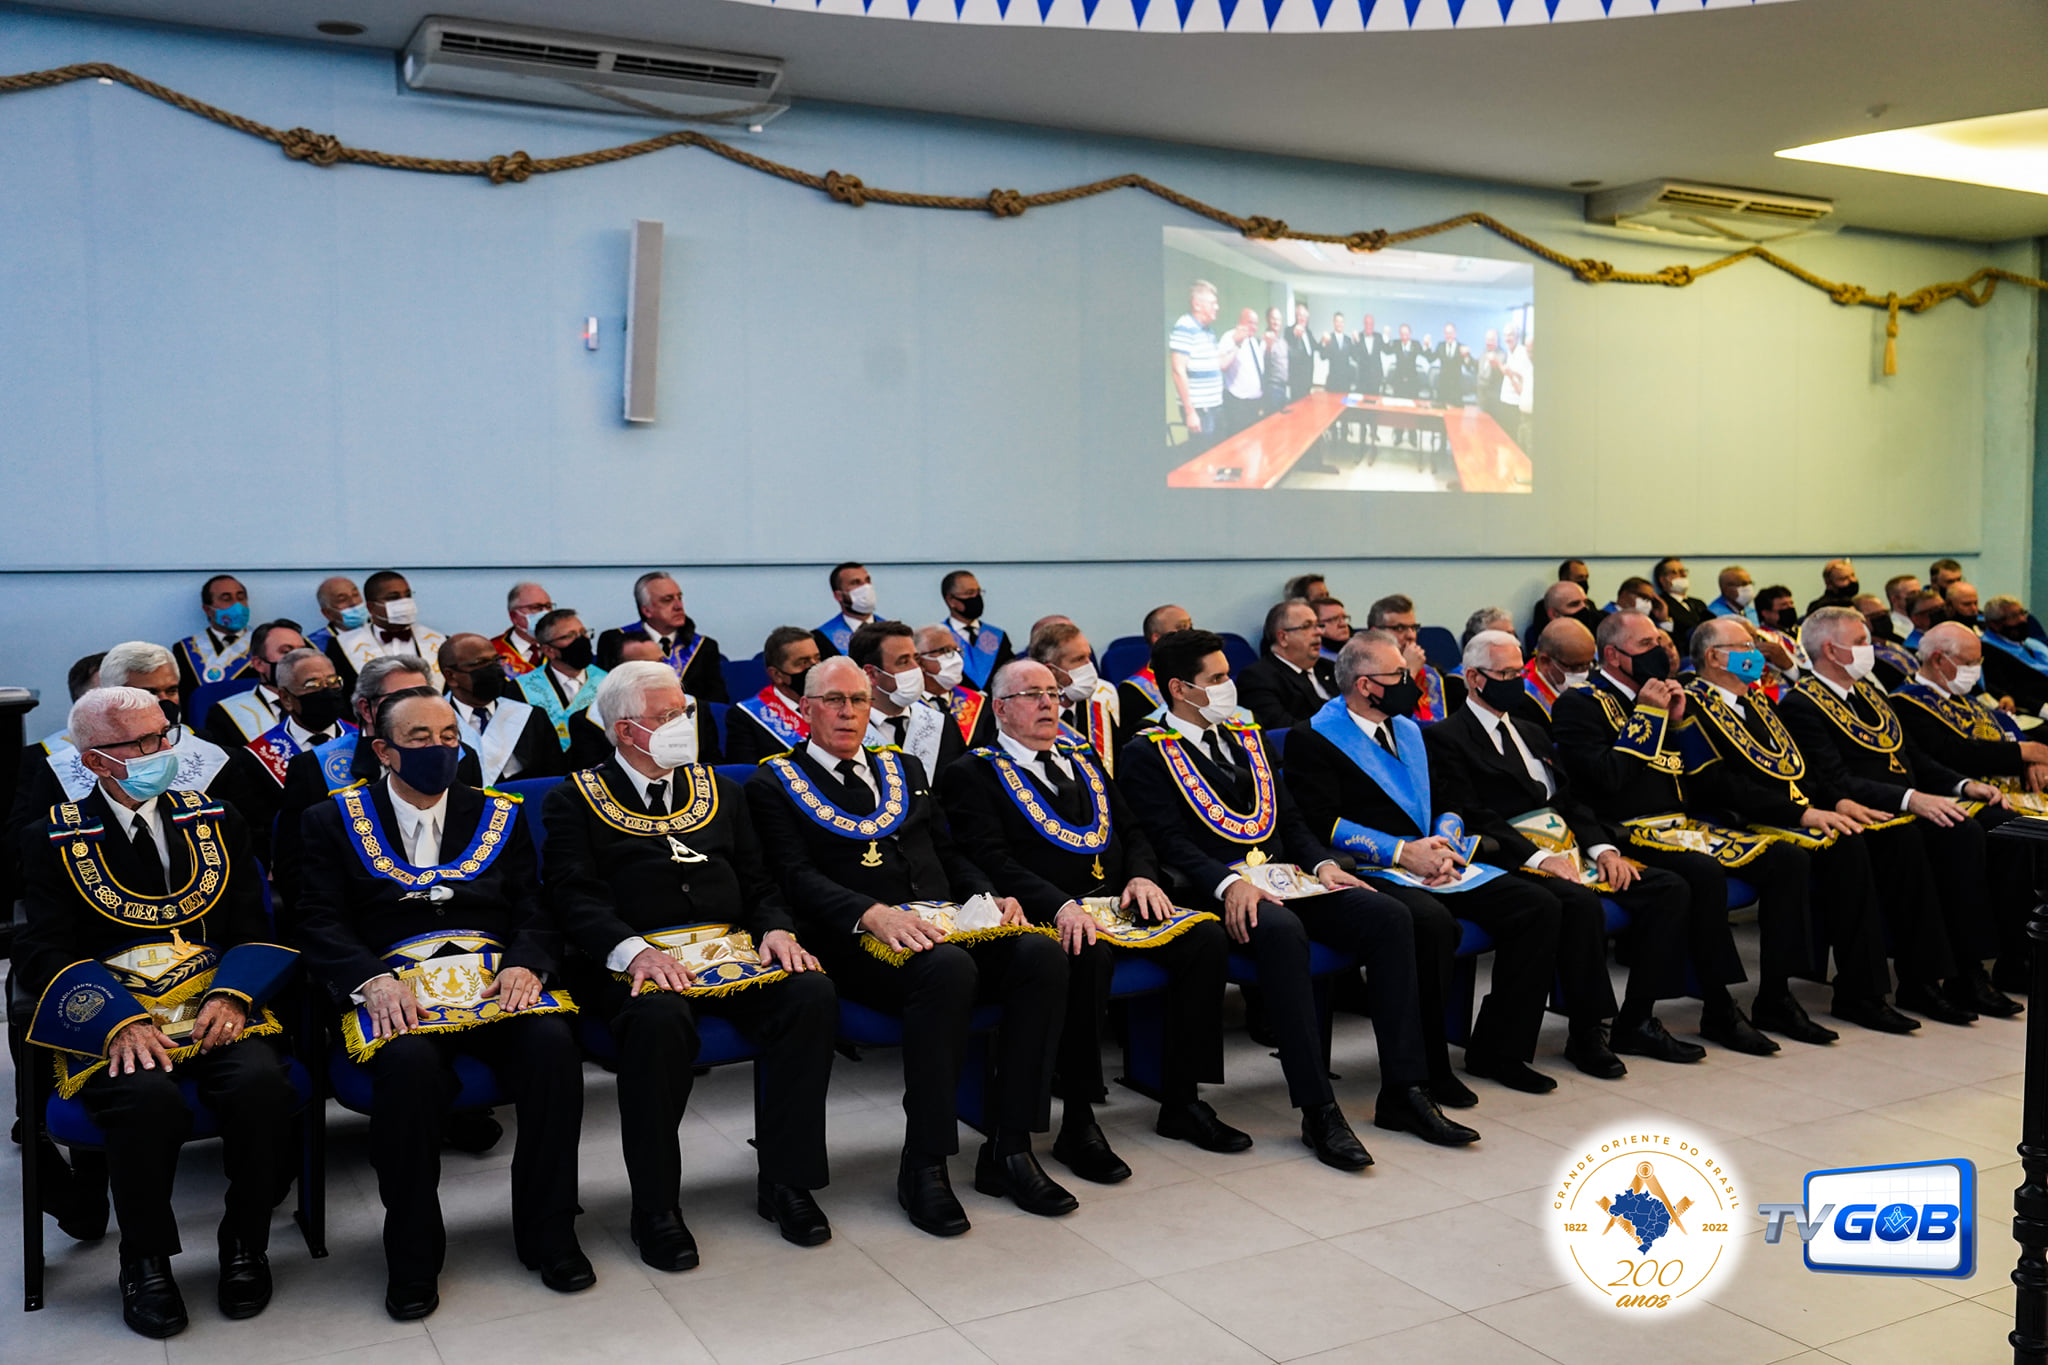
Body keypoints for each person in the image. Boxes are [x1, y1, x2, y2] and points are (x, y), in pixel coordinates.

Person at [1119, 629, 1478, 1165]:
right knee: (1284, 934)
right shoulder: (1145, 752)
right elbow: (1167, 841)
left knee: (1388, 915)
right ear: (1179, 688)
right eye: (1216, 678)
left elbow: (1290, 819)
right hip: (1217, 889)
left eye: (1228, 675)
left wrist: (1324, 865)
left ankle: (1404, 1090)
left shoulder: (1246, 736)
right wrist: (1229, 884)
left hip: (1289, 878)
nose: (1229, 686)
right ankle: (1319, 1110)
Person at [745, 657, 1073, 1236]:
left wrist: (986, 895)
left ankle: (1010, 1148)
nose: (848, 713)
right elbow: (792, 874)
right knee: (946, 969)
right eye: (834, 701)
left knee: (1040, 954)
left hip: (942, 924)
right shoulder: (771, 782)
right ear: (806, 708)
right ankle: (925, 1163)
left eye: (858, 701)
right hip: (855, 939)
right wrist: (869, 912)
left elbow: (947, 851)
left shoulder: (903, 766)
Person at [296, 691, 589, 1318]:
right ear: (383, 750)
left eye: (450, 736)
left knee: (552, 1048)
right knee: (408, 1070)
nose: (440, 749)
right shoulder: (329, 819)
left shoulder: (499, 813)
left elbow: (535, 904)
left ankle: (551, 1232)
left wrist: (526, 962)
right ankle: (412, 1252)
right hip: (395, 989)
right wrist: (370, 980)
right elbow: (317, 919)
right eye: (421, 738)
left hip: (493, 983)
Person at [16, 687, 298, 1338]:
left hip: (214, 1004)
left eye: (161, 736)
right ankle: (144, 1262)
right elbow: (43, 946)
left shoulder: (215, 818)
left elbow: (253, 922)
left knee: (260, 1084)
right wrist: (115, 1020)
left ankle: (245, 1242)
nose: (159, 752)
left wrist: (233, 994)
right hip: (118, 1016)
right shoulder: (53, 836)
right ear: (94, 760)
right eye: (139, 743)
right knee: (147, 1101)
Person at [544, 662, 837, 1266]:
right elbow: (574, 898)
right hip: (633, 960)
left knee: (809, 993)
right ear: (626, 731)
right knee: (658, 1019)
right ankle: (656, 1206)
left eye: (685, 712)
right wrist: (635, 953)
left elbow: (760, 882)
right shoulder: (571, 798)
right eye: (666, 716)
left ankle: (786, 1181)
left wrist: (776, 929)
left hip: (729, 953)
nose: (683, 724)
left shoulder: (722, 791)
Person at [942, 659, 1244, 1180]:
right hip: (1044, 913)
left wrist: (1143, 876)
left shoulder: (1082, 757)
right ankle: (1079, 1123)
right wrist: (1059, 904)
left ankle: (1182, 1099)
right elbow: (990, 858)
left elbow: (1133, 830)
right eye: (1032, 694)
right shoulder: (972, 772)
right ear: (1001, 709)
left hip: (1117, 904)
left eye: (1053, 693)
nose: (1048, 703)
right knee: (1086, 951)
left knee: (1205, 936)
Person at [1283, 632, 1570, 1093]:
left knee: (1537, 906)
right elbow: (1321, 821)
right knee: (1432, 925)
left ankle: (1499, 1049)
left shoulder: (1410, 730)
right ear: (1364, 685)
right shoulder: (1313, 737)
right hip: (1373, 865)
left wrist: (1444, 846)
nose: (1410, 683)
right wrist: (1403, 853)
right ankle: (1430, 1068)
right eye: (1398, 675)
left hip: (1435, 857)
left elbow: (1450, 798)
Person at [1427, 631, 1715, 1067]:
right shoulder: (1446, 736)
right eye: (1503, 675)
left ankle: (1638, 1019)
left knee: (1668, 888)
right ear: (1473, 678)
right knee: (1578, 904)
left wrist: (1603, 850)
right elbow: (1474, 813)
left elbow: (1568, 800)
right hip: (1511, 853)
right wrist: (1542, 859)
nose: (1515, 682)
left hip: (1571, 847)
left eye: (1518, 672)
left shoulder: (1530, 729)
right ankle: (1586, 1031)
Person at [1552, 610, 1830, 1047]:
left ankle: (1776, 995)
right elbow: (1606, 779)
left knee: (1787, 860)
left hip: (1684, 824)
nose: (1660, 653)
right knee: (1703, 873)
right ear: (1613, 655)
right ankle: (1718, 1007)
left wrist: (1681, 721)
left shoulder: (1669, 696)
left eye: (1660, 643)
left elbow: (1702, 777)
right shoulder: (1581, 703)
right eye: (1646, 645)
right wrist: (1648, 715)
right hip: (1625, 829)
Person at [1677, 617, 1921, 1034]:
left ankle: (1869, 988)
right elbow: (1718, 785)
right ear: (1714, 657)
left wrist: (1836, 801)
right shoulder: (1691, 705)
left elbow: (1799, 768)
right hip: (1736, 819)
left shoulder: (1758, 701)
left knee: (1874, 835)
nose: (1756, 654)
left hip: (1790, 812)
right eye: (1746, 646)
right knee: (1827, 849)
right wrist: (1802, 815)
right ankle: (1780, 996)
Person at [1779, 608, 2022, 1020]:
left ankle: (1969, 971)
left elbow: (1912, 758)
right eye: (1860, 642)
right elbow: (1835, 780)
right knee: (1914, 840)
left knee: (1967, 830)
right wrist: (1911, 799)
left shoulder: (1869, 694)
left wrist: (1962, 785)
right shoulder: (1802, 704)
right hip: (1864, 812)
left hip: (1902, 805)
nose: (1869, 649)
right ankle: (1919, 980)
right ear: (1831, 651)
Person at [270, 657, 482, 927]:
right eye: (400, 698)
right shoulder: (314, 767)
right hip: (362, 921)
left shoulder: (460, 757)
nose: (416, 707)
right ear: (366, 710)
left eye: (423, 695)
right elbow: (297, 874)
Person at [212, 646, 352, 868]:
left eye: (333, 682)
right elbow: (260, 830)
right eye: (313, 685)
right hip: (304, 863)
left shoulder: (361, 739)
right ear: (286, 698)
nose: (326, 691)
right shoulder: (256, 757)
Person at [439, 634, 567, 786]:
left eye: (496, 660)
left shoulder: (531, 716)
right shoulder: (434, 722)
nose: (494, 669)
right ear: (451, 676)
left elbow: (555, 777)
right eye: (480, 663)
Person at [853, 621, 966, 777]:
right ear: (871, 674)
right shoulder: (847, 729)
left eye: (916, 659)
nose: (916, 668)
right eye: (904, 661)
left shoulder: (942, 723)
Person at [594, 572, 727, 703]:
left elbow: (717, 701)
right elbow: (602, 692)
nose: (678, 606)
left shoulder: (704, 647)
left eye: (679, 598)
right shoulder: (615, 640)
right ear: (646, 610)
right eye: (667, 600)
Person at [1027, 619, 1124, 776]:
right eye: (1079, 659)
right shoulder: (1025, 721)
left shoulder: (1100, 714)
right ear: (1051, 670)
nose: (1089, 666)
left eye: (1088, 657)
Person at [326, 571, 447, 691]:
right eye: (393, 598)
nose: (405, 603)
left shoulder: (440, 642)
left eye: (408, 595)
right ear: (371, 607)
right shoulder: (342, 646)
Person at [205, 620, 308, 750]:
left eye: (303, 651)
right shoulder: (225, 714)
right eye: (286, 651)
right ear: (259, 664)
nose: (299, 659)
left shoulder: (325, 700)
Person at [1238, 598, 1336, 732]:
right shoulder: (1258, 678)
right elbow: (1283, 730)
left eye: (1318, 625)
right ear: (1283, 638)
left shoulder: (1330, 668)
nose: (1319, 632)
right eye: (1307, 626)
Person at [726, 626, 817, 765]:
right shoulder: (745, 717)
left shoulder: (837, 703)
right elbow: (748, 772)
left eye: (817, 659)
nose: (814, 667)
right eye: (803, 663)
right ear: (777, 675)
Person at [516, 609, 606, 748]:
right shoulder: (520, 690)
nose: (581, 640)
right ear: (548, 650)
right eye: (569, 636)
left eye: (583, 632)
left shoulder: (609, 681)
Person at [1365, 594, 1460, 722]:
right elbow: (1392, 717)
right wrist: (1409, 672)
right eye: (1399, 628)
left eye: (1413, 628)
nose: (1411, 636)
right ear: (1375, 633)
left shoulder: (1432, 672)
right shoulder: (1365, 674)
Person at [173, 573, 255, 705]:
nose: (237, 605)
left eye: (241, 597)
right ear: (207, 609)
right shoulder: (184, 650)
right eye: (226, 599)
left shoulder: (263, 645)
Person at [916, 623, 997, 749]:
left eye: (957, 651)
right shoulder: (908, 705)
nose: (955, 658)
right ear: (919, 661)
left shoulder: (979, 703)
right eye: (946, 651)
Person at [1169, 280, 1228, 451]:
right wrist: (1190, 412)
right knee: (1202, 456)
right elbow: (1178, 370)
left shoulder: (1208, 330)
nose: (1217, 307)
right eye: (1213, 303)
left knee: (1218, 452)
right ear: (1197, 305)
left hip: (1215, 405)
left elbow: (1218, 364)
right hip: (1200, 410)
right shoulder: (1184, 327)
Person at [938, 569, 1015, 690]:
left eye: (978, 592)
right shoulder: (939, 638)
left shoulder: (998, 636)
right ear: (951, 600)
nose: (976, 597)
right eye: (969, 593)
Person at [1117, 603, 1192, 719]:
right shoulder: (1133, 691)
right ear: (1157, 638)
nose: (1191, 634)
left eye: (1191, 627)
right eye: (1181, 628)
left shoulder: (1201, 675)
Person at [1979, 596, 2048, 715]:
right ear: (1994, 624)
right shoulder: (1987, 650)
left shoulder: (2030, 642)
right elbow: (2012, 689)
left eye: (2022, 613)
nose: (2022, 620)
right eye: (2013, 616)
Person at [1522, 617, 1596, 726]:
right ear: (1545, 661)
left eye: (1588, 664)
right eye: (1574, 667)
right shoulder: (1524, 702)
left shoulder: (1595, 679)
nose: (1584, 674)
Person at [1219, 306, 1267, 438]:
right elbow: (1222, 365)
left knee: (1255, 438)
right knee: (1239, 440)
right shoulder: (1229, 337)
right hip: (1238, 403)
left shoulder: (1253, 341)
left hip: (1255, 401)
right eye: (1250, 323)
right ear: (1241, 321)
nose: (1254, 327)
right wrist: (1237, 343)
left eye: (1256, 324)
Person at [814, 562, 879, 657]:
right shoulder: (820, 640)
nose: (866, 587)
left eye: (867, 580)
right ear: (838, 596)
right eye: (855, 583)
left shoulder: (893, 632)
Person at [1650, 558, 1713, 654]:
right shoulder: (1661, 605)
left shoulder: (1698, 603)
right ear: (1663, 580)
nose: (1683, 575)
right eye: (1675, 572)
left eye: (1684, 571)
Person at [492, 581, 554, 676]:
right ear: (514, 616)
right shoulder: (492, 652)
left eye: (548, 607)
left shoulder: (562, 648)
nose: (545, 613)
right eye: (535, 607)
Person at [1522, 579, 1598, 654]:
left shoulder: (1596, 645)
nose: (1584, 608)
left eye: (1585, 603)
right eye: (1574, 604)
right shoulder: (1545, 658)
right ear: (1554, 614)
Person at [308, 576, 366, 655]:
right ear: (327, 613)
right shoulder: (315, 646)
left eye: (355, 595)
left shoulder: (380, 629)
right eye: (343, 600)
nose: (353, 602)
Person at [1317, 310, 1357, 399]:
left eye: (1341, 322)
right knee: (1331, 405)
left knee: (1344, 405)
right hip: (1333, 381)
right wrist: (1323, 342)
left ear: (1344, 324)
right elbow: (1322, 356)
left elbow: (1355, 357)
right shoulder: (1329, 338)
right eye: (1337, 321)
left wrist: (1356, 342)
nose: (1339, 324)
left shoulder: (1348, 340)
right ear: (1334, 323)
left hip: (1345, 381)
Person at [1285, 301, 1316, 403]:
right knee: (1296, 406)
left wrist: (1325, 342)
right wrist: (1295, 335)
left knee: (1307, 406)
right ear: (1296, 316)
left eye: (1305, 316)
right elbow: (1290, 351)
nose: (1303, 318)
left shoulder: (1308, 332)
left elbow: (1316, 347)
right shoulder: (1289, 331)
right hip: (1296, 380)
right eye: (1300, 315)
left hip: (1308, 379)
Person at [1884, 575, 1923, 643]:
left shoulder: (1923, 619)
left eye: (1919, 592)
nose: (1919, 597)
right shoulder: (1893, 628)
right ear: (1894, 599)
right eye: (1912, 593)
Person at [1315, 597, 1352, 661]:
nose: (1343, 624)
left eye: (1344, 618)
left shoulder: (1360, 649)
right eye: (1333, 619)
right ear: (1316, 625)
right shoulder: (1313, 660)